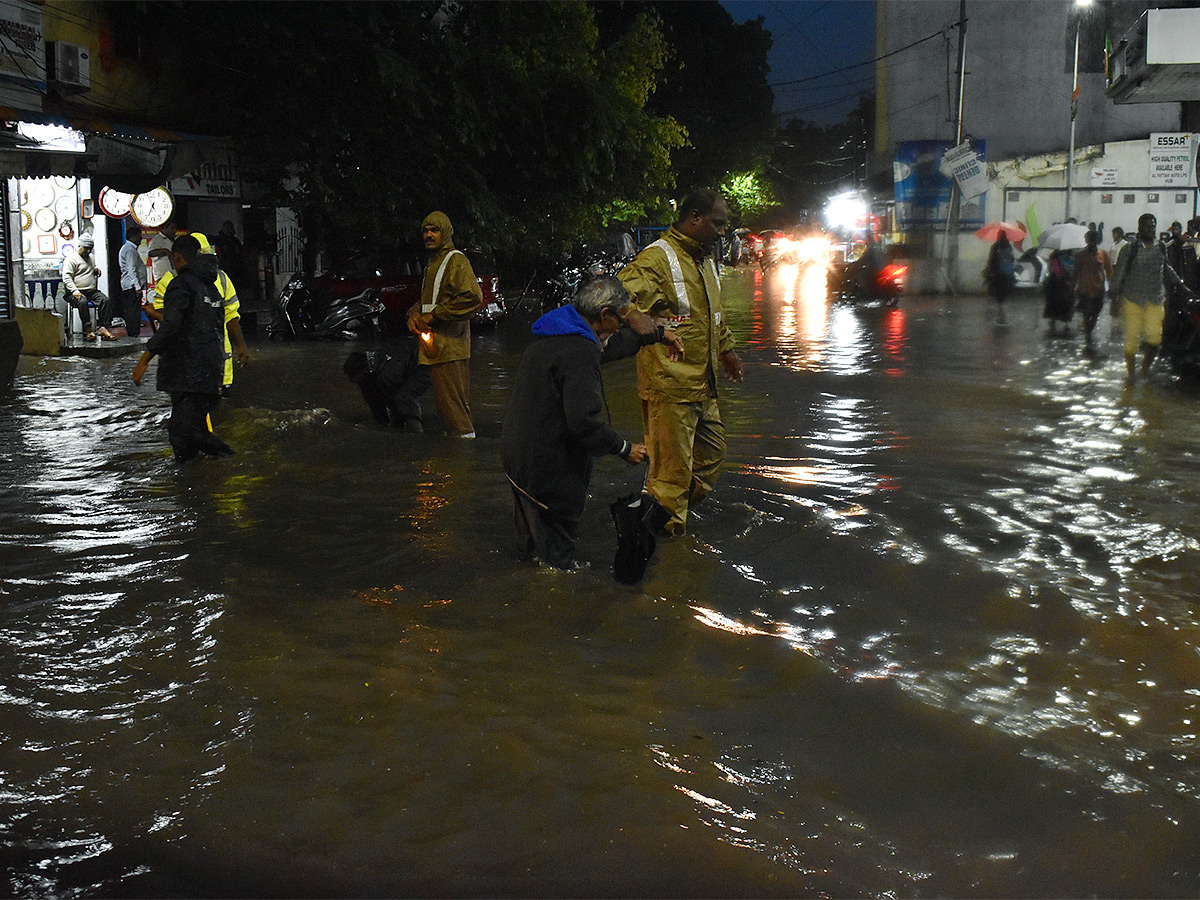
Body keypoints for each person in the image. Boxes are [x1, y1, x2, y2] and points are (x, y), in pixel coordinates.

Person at [501, 276, 671, 569]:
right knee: (558, 554)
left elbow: (611, 348)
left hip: (517, 459)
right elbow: (584, 424)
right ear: (605, 315)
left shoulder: (556, 335)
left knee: (532, 546)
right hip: (548, 468)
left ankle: (528, 590)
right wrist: (624, 448)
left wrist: (657, 335)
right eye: (619, 319)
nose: (619, 328)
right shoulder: (580, 353)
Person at [618, 188, 744, 537]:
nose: (722, 232)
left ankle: (653, 511)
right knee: (672, 477)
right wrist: (634, 316)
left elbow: (711, 315)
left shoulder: (704, 259)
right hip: (669, 385)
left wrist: (726, 349)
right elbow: (615, 296)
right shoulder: (657, 259)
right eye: (717, 224)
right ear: (693, 218)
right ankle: (668, 557)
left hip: (703, 383)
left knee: (711, 459)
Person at [131, 235, 232, 460]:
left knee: (183, 433)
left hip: (188, 373)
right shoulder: (211, 285)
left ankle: (235, 461)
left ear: (176, 257)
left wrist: (144, 360)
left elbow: (172, 325)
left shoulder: (181, 284)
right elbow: (198, 323)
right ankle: (201, 479)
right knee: (191, 432)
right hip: (211, 370)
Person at [406, 211, 482, 437]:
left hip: (450, 348)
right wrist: (415, 313)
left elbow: (473, 297)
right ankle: (456, 460)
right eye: (426, 231)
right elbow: (430, 299)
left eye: (434, 230)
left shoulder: (455, 261)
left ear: (445, 233)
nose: (428, 235)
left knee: (454, 409)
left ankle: (462, 462)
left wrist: (434, 316)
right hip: (437, 347)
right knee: (448, 408)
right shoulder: (434, 263)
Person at [147, 233, 249, 394]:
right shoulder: (221, 279)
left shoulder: (171, 281)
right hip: (217, 368)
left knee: (190, 413)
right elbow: (231, 316)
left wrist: (148, 356)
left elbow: (168, 321)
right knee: (216, 413)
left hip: (186, 371)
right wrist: (241, 345)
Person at [1110, 212, 1193, 383]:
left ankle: (1144, 370)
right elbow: (1119, 273)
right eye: (1148, 226)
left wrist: (1181, 285)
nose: (1151, 229)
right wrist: (1114, 295)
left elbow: (1167, 268)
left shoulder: (1161, 247)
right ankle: (1131, 372)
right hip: (1133, 299)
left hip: (1155, 299)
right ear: (1140, 227)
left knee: (1154, 339)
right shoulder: (1130, 249)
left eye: (1153, 226)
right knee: (1130, 342)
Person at [343, 335, 430, 431]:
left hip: (425, 365)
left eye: (353, 375)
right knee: (380, 395)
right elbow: (374, 402)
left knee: (404, 396)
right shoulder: (367, 377)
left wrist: (397, 420)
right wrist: (382, 424)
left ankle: (416, 432)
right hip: (407, 360)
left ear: (363, 371)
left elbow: (394, 398)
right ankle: (397, 427)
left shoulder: (388, 375)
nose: (352, 380)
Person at [62, 234, 114, 341]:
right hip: (75, 291)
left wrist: (94, 270)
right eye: (85, 248)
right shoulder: (71, 259)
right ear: (80, 246)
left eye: (90, 249)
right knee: (82, 301)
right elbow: (67, 277)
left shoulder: (90, 257)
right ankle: (88, 328)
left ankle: (103, 327)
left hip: (90, 290)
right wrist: (75, 291)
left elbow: (86, 268)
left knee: (105, 300)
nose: (88, 251)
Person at [1072, 229, 1112, 346]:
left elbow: (1109, 272)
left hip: (1098, 290)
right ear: (1086, 240)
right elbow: (1076, 273)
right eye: (1090, 240)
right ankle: (1088, 334)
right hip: (1084, 290)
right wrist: (1072, 288)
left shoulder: (1103, 254)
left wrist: (1111, 288)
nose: (1092, 243)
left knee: (1095, 313)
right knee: (1086, 313)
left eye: (1094, 240)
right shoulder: (1080, 255)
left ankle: (1089, 331)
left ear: (1097, 241)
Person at [118, 225, 148, 339]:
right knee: (133, 311)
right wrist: (137, 286)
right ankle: (133, 333)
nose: (141, 239)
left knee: (131, 309)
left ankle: (132, 332)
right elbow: (131, 270)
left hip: (128, 285)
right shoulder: (130, 250)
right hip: (131, 286)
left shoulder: (126, 248)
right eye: (139, 236)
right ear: (134, 237)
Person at [984, 232, 1016, 318]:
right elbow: (1012, 259)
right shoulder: (1009, 246)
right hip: (1007, 274)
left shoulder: (995, 246)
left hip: (998, 273)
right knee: (1004, 290)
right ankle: (1002, 306)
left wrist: (989, 269)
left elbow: (991, 260)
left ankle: (999, 306)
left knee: (997, 290)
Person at [1043, 247, 1074, 336]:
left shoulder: (1054, 257)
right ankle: (1066, 323)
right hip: (1067, 283)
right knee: (1067, 302)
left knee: (1053, 302)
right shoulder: (1070, 258)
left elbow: (1052, 271)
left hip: (1055, 283)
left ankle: (1053, 320)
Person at [145, 219, 181, 283]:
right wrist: (164, 251)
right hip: (162, 276)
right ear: (165, 228)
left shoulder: (172, 240)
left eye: (175, 228)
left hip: (173, 275)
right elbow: (150, 253)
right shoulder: (157, 239)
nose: (174, 231)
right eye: (172, 228)